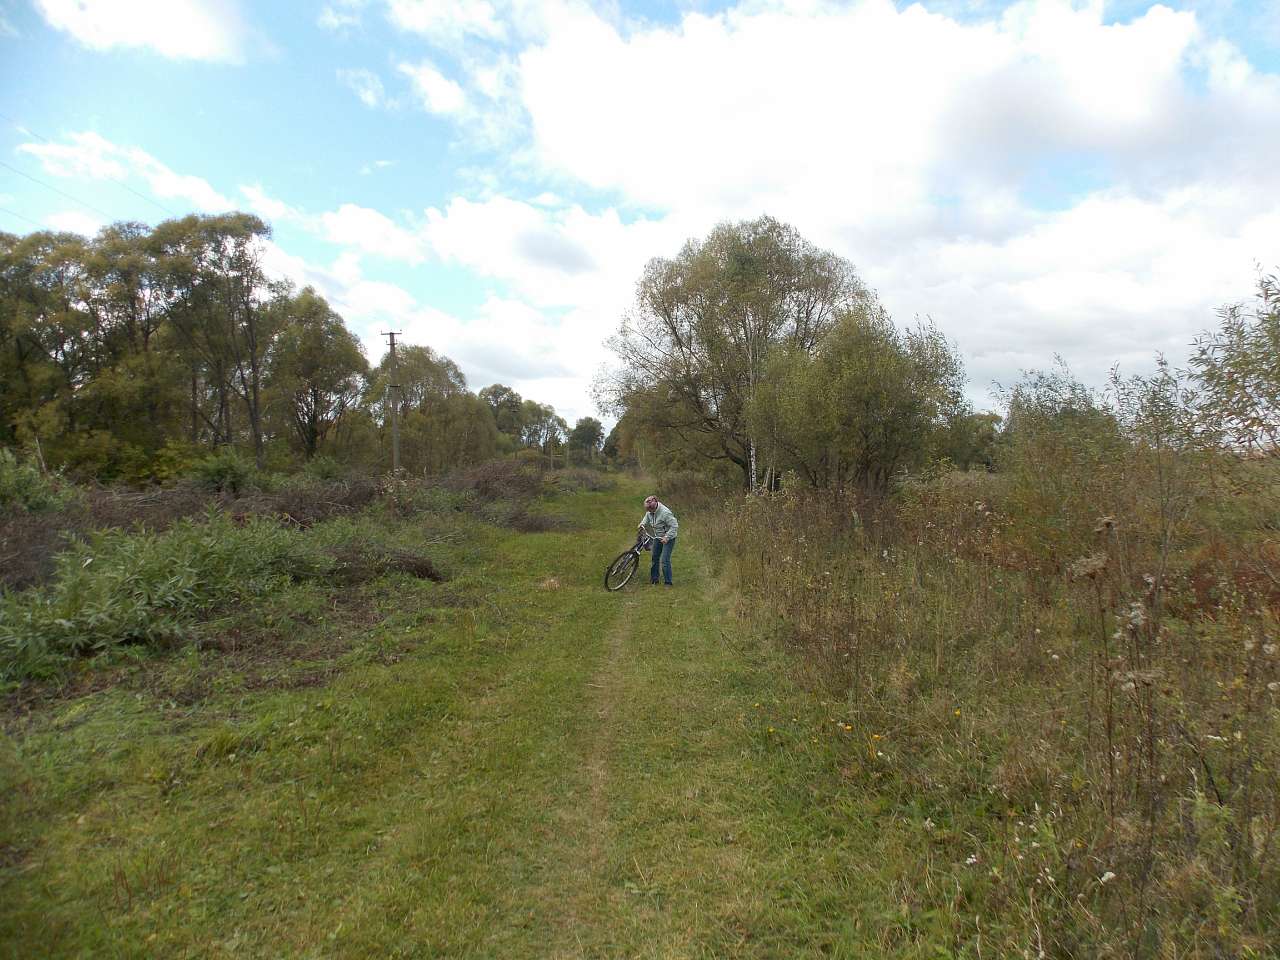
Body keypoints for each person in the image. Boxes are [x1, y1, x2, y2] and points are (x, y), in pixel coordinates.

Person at [638, 494, 679, 586]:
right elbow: (647, 517)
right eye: (648, 510)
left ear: (655, 505)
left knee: (665, 560)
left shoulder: (665, 513)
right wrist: (642, 524)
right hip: (657, 536)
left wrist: (667, 537)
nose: (649, 511)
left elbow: (674, 526)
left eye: (651, 510)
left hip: (669, 538)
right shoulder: (650, 510)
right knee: (655, 557)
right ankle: (654, 579)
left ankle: (668, 582)